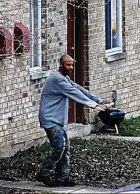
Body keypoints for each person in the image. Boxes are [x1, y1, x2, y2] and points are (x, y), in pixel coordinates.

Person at [35, 55, 111, 187]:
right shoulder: (57, 79)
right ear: (61, 65)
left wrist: (98, 100)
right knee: (59, 147)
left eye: (71, 65)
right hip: (50, 119)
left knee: (65, 149)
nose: (70, 68)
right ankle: (44, 173)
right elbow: (75, 94)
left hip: (57, 120)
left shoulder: (65, 78)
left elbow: (79, 89)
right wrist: (94, 106)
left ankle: (62, 178)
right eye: (67, 65)